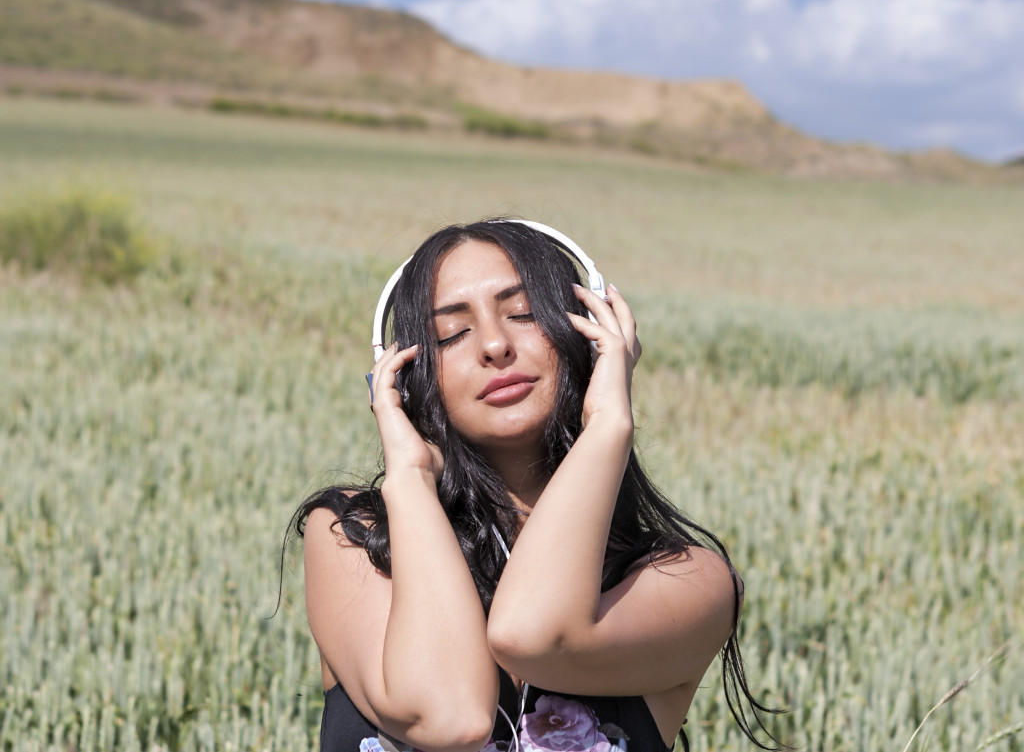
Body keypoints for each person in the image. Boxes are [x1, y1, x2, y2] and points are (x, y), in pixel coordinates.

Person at [288, 220, 779, 752]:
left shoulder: (688, 581)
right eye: (451, 333)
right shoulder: (353, 538)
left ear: (594, 332)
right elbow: (450, 718)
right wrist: (408, 477)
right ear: (406, 378)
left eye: (522, 313)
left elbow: (532, 635)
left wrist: (609, 425)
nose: (495, 345)